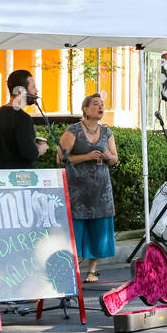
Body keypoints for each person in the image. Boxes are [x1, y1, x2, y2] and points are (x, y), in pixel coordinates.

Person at [57, 93, 117, 283]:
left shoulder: (107, 132)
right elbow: (60, 159)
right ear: (85, 108)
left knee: (98, 229)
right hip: (78, 192)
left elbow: (115, 159)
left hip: (101, 191)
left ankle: (92, 270)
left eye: (102, 104)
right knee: (76, 229)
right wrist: (86, 157)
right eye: (96, 104)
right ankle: (72, 268)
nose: (101, 107)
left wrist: (108, 156)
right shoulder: (73, 130)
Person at [0, 68, 48, 168]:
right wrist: (39, 150)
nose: (36, 91)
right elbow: (29, 153)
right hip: (19, 179)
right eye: (33, 87)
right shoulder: (23, 118)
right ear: (20, 91)